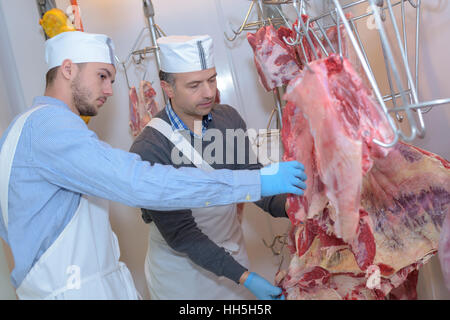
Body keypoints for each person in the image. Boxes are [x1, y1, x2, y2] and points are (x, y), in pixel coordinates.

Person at [0, 31, 307, 300]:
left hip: (90, 283)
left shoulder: (30, 129)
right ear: (68, 69)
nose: (109, 90)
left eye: (212, 81)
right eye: (102, 76)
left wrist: (303, 206)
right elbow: (142, 185)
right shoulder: (53, 131)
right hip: (175, 279)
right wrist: (257, 184)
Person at [129, 35, 307, 300]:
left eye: (211, 80)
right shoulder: (151, 147)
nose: (208, 92)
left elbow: (253, 183)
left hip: (233, 258)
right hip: (183, 276)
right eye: (194, 85)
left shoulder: (227, 119)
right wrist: (247, 278)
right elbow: (182, 234)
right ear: (168, 88)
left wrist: (303, 211)